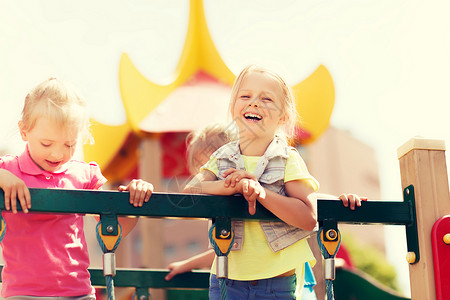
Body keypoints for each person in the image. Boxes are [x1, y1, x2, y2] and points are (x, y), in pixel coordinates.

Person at [181, 64, 366, 300]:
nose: (254, 103)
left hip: (276, 282)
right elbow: (192, 191)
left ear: (284, 116)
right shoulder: (222, 158)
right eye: (245, 96)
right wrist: (230, 186)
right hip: (226, 279)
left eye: (267, 99)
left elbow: (308, 218)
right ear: (233, 107)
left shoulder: (287, 158)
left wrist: (261, 193)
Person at [0, 78, 153, 299]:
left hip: (77, 292)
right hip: (23, 293)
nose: (57, 154)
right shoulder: (10, 169)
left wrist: (135, 197)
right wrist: (3, 176)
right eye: (46, 144)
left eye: (69, 144)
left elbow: (116, 228)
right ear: (24, 132)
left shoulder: (83, 175)